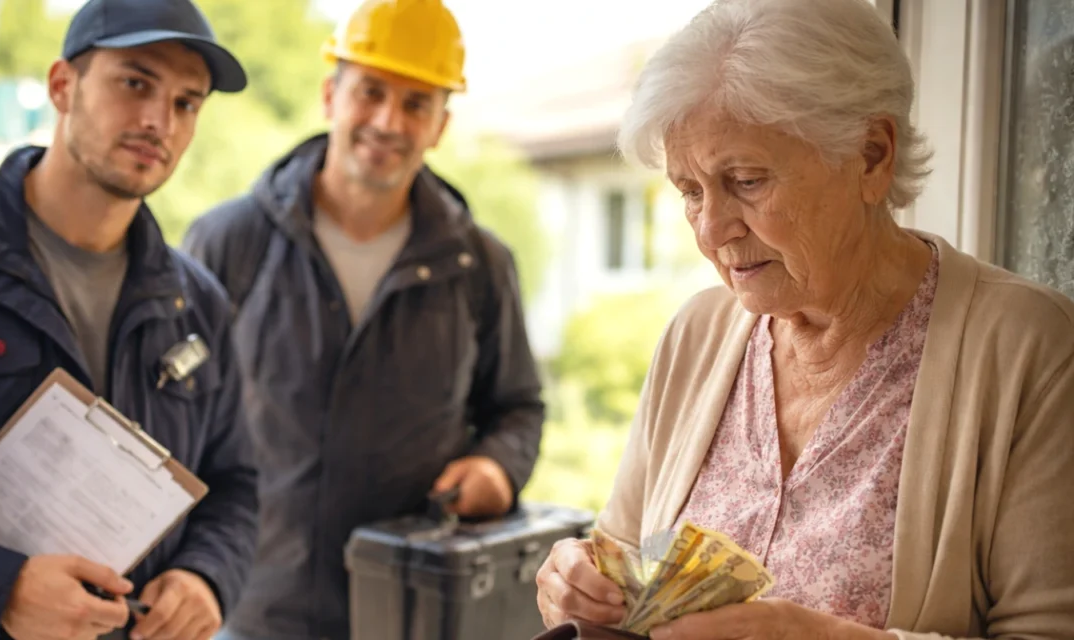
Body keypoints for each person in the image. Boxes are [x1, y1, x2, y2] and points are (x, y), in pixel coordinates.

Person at [534, 0, 1074, 638]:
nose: (711, 230)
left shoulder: (1029, 348)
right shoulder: (696, 334)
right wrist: (578, 583)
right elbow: (621, 550)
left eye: (747, 180)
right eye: (691, 190)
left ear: (872, 156)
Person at [180, 0, 546, 637]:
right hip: (253, 610)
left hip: (414, 612)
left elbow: (517, 406)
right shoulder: (228, 242)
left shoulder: (478, 263)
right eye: (370, 92)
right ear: (329, 95)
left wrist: (496, 469)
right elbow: (175, 420)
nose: (387, 121)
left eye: (415, 103)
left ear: (439, 125)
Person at [0, 0, 258, 638]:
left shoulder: (198, 303)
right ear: (61, 86)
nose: (159, 121)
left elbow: (236, 482)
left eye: (187, 103)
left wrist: (205, 577)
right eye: (136, 83)